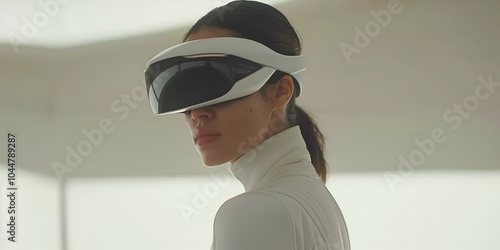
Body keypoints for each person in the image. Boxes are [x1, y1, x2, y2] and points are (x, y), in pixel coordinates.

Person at [144, 1, 350, 249]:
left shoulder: (253, 211)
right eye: (187, 92)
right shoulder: (316, 201)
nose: (198, 113)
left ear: (281, 91)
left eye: (212, 84)